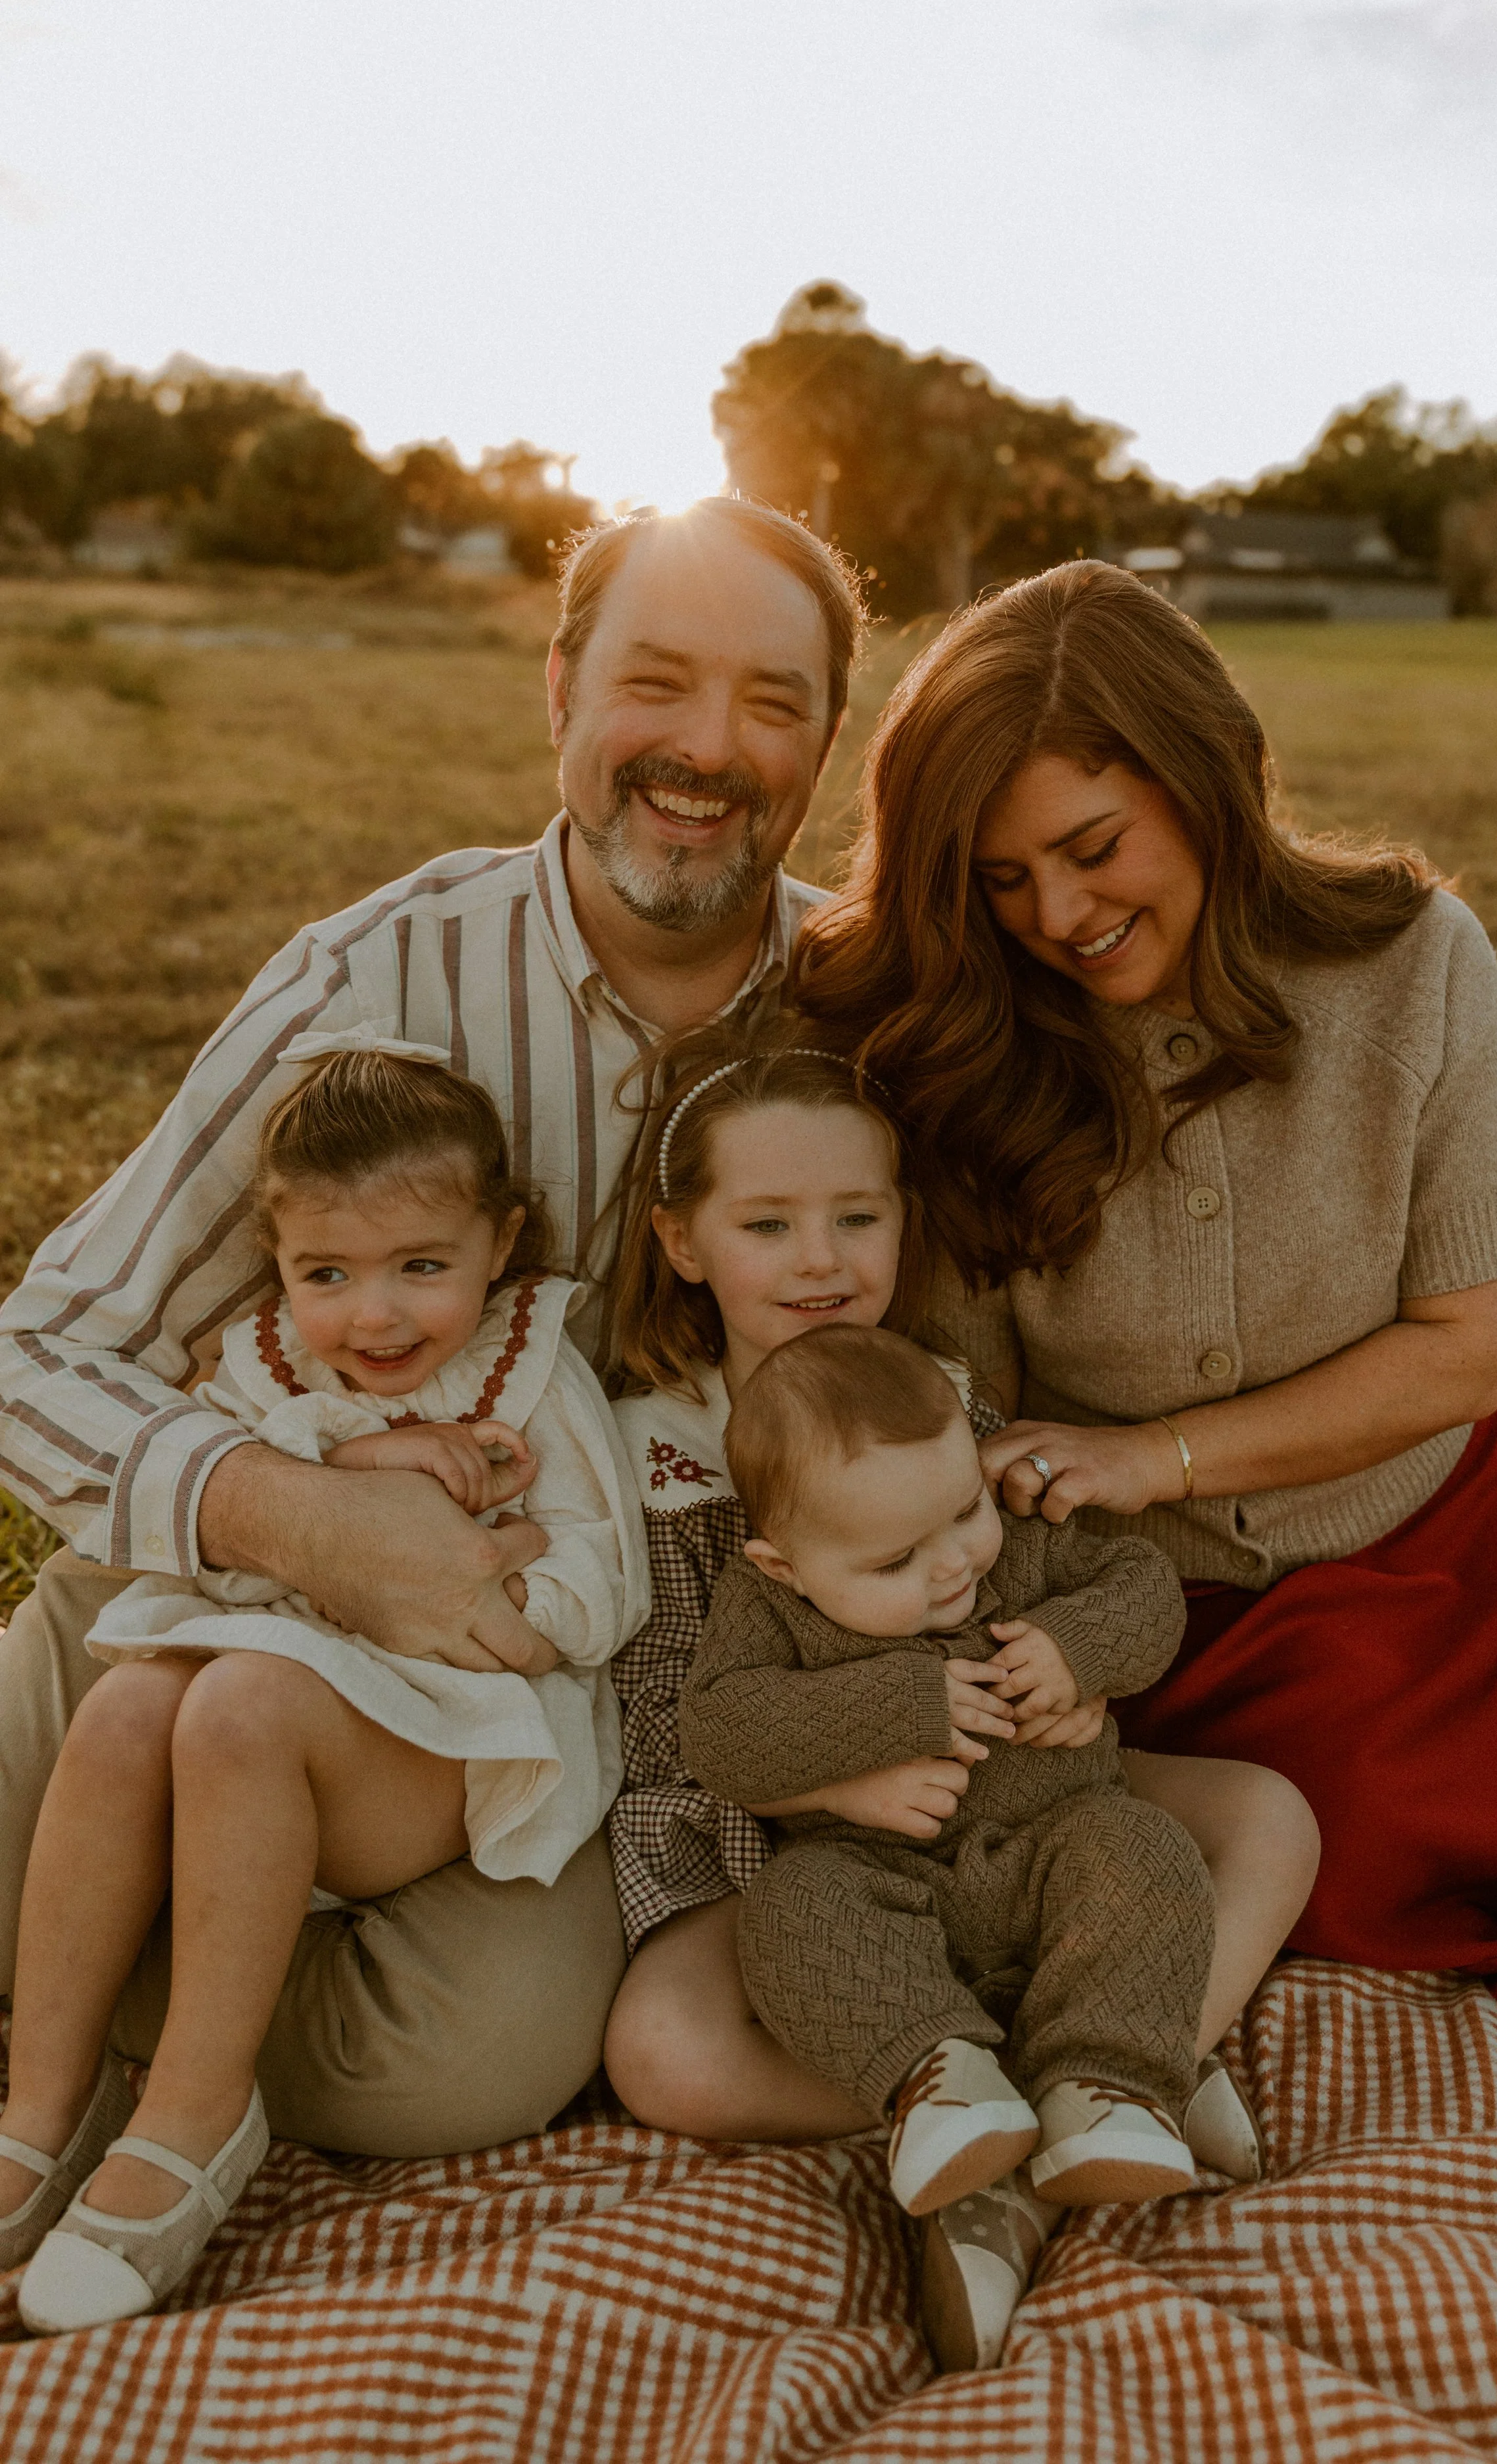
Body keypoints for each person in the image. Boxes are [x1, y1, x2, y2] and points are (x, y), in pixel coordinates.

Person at [0, 496, 865, 2155]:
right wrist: (306, 1517)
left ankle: (156, 1965)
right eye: (657, 682)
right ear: (557, 690)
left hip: (532, 1671)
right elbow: (43, 1348)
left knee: (441, 2077)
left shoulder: (873, 1011)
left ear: (831, 738)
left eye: (772, 702)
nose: (706, 747)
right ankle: (138, 1932)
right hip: (213, 1585)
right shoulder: (375, 976)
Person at [793, 555, 1497, 2007]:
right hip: (1168, 1609)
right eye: (1002, 879)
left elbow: (1459, 1349)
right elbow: (960, 1403)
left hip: (1454, 1517)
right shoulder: (961, 1042)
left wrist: (1155, 1453)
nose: (1055, 913)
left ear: (1213, 781)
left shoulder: (1417, 965)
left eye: (1093, 845)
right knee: (1364, 1825)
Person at [598, 1026, 1318, 2369]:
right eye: (768, 1223)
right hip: (790, 1841)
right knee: (663, 2051)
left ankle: (1085, 2090)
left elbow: (1086, 1579)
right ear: (684, 1242)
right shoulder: (657, 1456)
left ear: (897, 1223)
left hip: (1031, 1795)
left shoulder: (943, 1396)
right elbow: (687, 1721)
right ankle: (990, 2107)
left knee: (1263, 1819)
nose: (819, 1261)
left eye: (855, 1218)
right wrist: (834, 1773)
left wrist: (1068, 1659)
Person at [1, 1041, 647, 2333]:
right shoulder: (272, 1367)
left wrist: (495, 1592)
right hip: (260, 1709)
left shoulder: (528, 1372)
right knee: (129, 1703)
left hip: (446, 1741)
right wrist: (358, 1469)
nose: (377, 1319)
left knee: (239, 1703)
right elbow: (231, 1484)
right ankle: (39, 2115)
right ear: (280, 1260)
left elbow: (603, 1584)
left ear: (498, 1238)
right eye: (327, 1276)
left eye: (422, 1266)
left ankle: (196, 2108)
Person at [681, 1323, 1214, 2231]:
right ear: (786, 1566)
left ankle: (1105, 2085)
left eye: (964, 1508)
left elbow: (1145, 1586)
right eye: (894, 1562)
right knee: (791, 1910)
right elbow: (719, 1734)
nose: (956, 1561)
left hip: (1056, 1847)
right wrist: (897, 1707)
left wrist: (1079, 1651)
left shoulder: (1017, 1543)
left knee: (1145, 1849)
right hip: (883, 1880)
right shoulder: (764, 1605)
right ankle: (941, 2081)